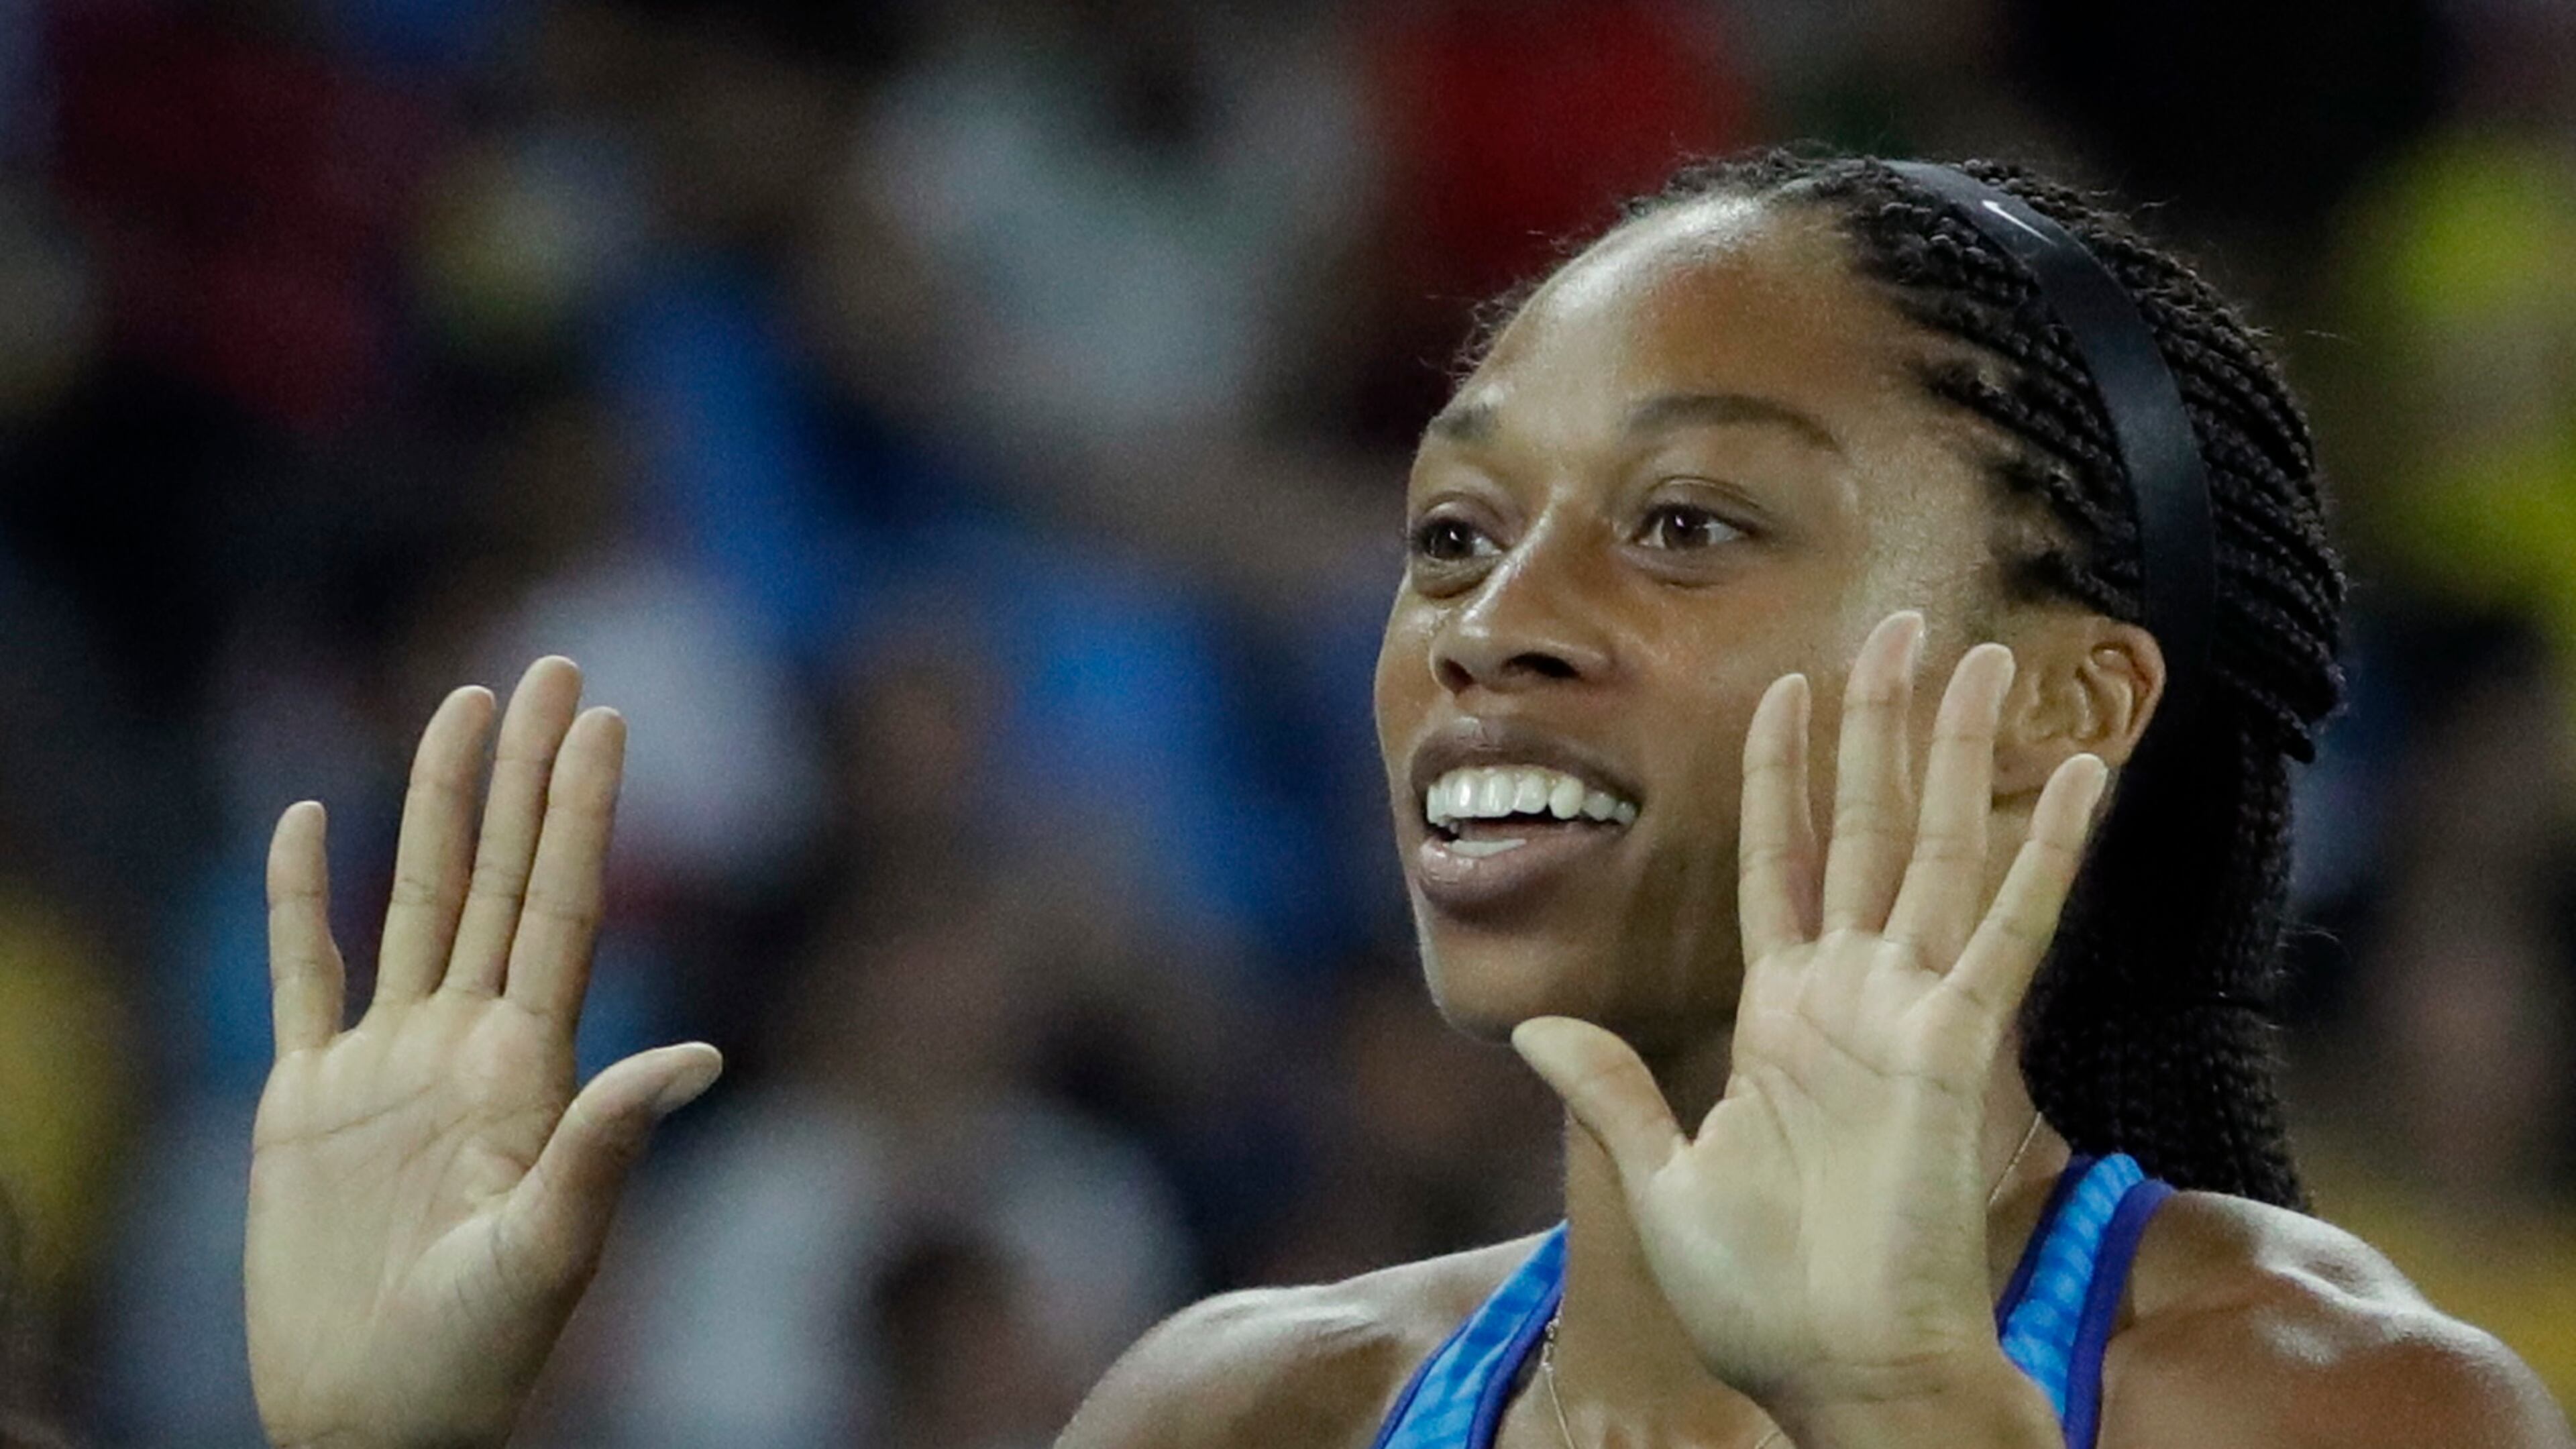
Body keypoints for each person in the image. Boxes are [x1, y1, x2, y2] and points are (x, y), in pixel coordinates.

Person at [239, 151, 2575, 1448]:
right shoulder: (1246, 1417)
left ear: (2060, 706)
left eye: (1685, 524)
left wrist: (1883, 1406)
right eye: (1454, 533)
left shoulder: (2329, 1407)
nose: (1489, 622)